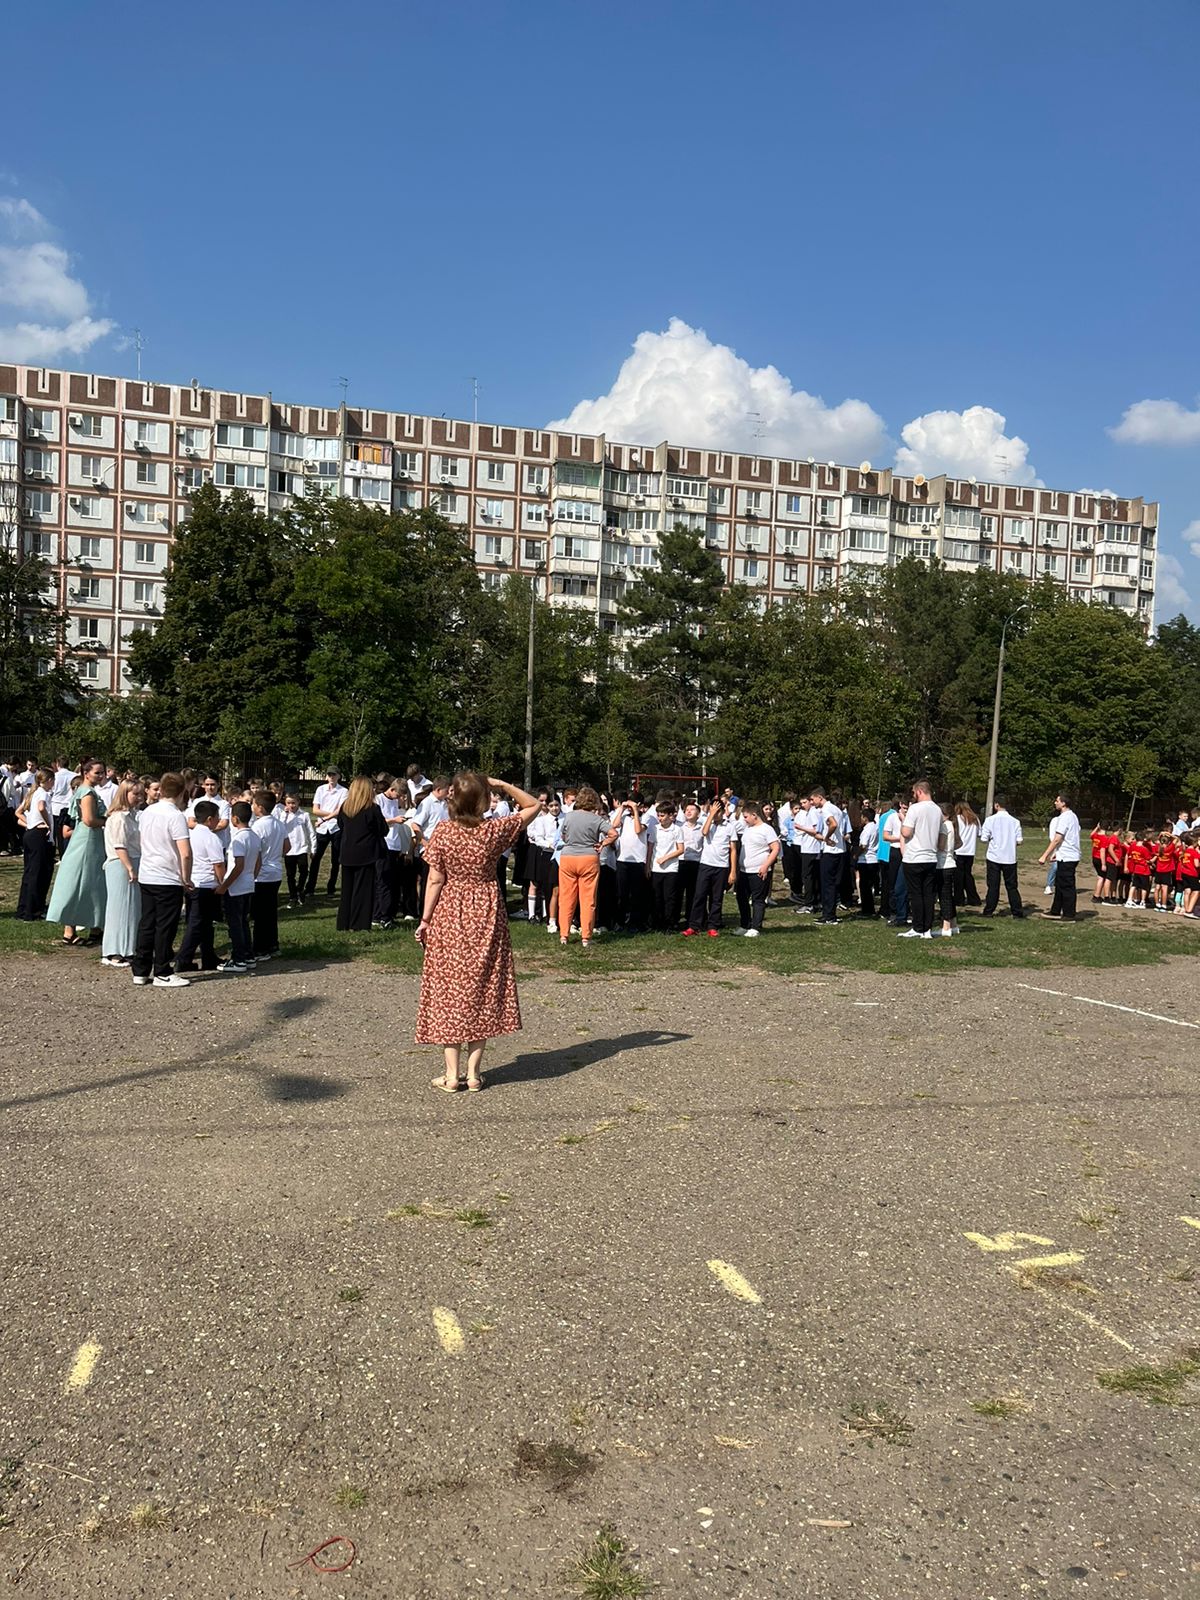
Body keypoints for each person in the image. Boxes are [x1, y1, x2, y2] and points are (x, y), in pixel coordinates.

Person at [416, 773, 539, 1092]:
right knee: (481, 988)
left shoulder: (443, 831)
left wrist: (425, 919)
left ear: (452, 799)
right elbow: (533, 805)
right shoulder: (495, 830)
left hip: (451, 912)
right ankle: (473, 1074)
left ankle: (451, 1074)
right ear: (484, 800)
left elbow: (434, 880)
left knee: (449, 990)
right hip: (486, 911)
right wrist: (503, 786)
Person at [131, 771, 193, 987]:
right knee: (165, 926)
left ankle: (140, 969)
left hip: (148, 873)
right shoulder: (176, 816)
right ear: (182, 792)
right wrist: (186, 877)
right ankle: (162, 970)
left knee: (147, 923)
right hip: (167, 876)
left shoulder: (147, 812)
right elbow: (185, 852)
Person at [46, 757, 109, 946]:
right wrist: (109, 820)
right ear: (86, 773)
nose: (101, 776)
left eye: (102, 772)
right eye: (97, 772)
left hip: (90, 840)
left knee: (92, 883)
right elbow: (89, 820)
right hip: (87, 841)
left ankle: (93, 926)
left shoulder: (87, 791)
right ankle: (72, 929)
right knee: (82, 881)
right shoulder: (87, 792)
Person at [556, 786, 616, 948]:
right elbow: (613, 834)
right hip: (589, 857)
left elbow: (563, 835)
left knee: (567, 898)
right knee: (588, 899)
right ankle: (586, 937)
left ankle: (564, 935)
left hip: (568, 857)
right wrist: (602, 843)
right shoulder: (596, 819)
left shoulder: (568, 817)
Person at [177, 800, 226, 973]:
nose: (219, 821)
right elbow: (218, 864)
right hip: (206, 884)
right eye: (217, 818)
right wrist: (223, 883)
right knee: (197, 924)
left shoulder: (190, 835)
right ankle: (183, 959)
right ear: (210, 819)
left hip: (193, 883)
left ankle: (208, 956)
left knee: (205, 924)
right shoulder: (211, 838)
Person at [100, 779, 143, 968]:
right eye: (135, 794)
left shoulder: (131, 816)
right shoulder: (119, 817)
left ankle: (128, 948)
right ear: (124, 794)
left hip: (132, 861)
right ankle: (113, 951)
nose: (139, 798)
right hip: (121, 864)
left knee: (131, 908)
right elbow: (119, 845)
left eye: (141, 794)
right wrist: (129, 867)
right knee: (119, 908)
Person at [336, 775, 388, 932]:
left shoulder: (346, 807)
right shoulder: (372, 809)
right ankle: (359, 923)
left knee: (347, 891)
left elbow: (340, 824)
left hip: (347, 852)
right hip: (366, 854)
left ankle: (344, 922)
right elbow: (383, 830)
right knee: (363, 891)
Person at [684, 796, 738, 937]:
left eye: (719, 811)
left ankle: (713, 925)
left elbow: (733, 849)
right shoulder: (707, 822)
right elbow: (704, 832)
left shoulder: (730, 827)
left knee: (716, 898)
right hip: (705, 864)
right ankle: (694, 925)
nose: (717, 814)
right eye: (714, 811)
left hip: (721, 866)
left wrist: (732, 871)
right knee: (699, 895)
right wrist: (711, 814)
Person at [216, 801, 260, 971]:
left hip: (235, 887)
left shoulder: (238, 839)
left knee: (234, 924)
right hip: (248, 884)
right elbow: (258, 861)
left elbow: (238, 865)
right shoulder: (254, 836)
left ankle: (238, 959)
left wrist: (224, 886)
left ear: (234, 819)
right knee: (243, 922)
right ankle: (248, 956)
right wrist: (252, 877)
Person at [898, 778, 942, 939]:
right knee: (928, 894)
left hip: (914, 856)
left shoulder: (916, 809)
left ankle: (918, 927)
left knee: (916, 894)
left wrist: (903, 820)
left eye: (914, 793)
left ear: (919, 791)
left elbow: (906, 833)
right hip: (930, 856)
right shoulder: (937, 809)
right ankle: (927, 928)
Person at [732, 800, 779, 938]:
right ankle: (744, 924)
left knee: (758, 899)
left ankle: (755, 927)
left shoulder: (766, 829)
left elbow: (775, 848)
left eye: (746, 817)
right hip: (744, 870)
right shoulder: (748, 829)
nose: (744, 820)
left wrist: (765, 866)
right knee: (741, 897)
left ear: (754, 815)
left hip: (759, 870)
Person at [250, 789, 286, 956]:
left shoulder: (258, 826)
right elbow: (288, 846)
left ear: (260, 808)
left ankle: (260, 948)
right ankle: (273, 945)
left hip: (261, 874)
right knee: (271, 912)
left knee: (260, 914)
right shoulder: (279, 823)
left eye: (254, 804)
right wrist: (276, 855)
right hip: (276, 871)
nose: (252, 807)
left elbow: (255, 851)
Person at [15, 766, 54, 921]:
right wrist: (47, 824)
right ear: (49, 781)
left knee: (30, 872)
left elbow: (18, 812)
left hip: (30, 834)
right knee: (38, 873)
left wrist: (30, 822)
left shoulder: (33, 793)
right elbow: (41, 807)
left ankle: (23, 908)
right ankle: (32, 910)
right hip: (39, 835)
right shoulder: (43, 794)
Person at [1038, 792, 1081, 921]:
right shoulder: (1072, 816)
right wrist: (1057, 853)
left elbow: (1058, 839)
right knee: (1060, 885)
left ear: (1063, 803)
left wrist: (1045, 855)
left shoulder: (1065, 817)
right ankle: (1055, 910)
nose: (1055, 802)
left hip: (1069, 857)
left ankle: (1069, 914)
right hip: (1064, 856)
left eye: (1057, 800)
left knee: (1067, 887)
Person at [306, 767, 348, 897]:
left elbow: (340, 811)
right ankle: (310, 888)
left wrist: (324, 819)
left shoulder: (344, 791)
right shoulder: (320, 789)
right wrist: (331, 815)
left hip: (336, 828)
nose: (331, 777)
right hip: (323, 829)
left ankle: (331, 888)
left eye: (334, 774)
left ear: (339, 776)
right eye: (329, 774)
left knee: (335, 860)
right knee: (316, 858)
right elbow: (315, 810)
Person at [980, 797, 1024, 918]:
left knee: (993, 886)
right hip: (1010, 857)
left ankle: (989, 910)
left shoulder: (990, 820)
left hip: (994, 857)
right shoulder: (1015, 821)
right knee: (1012, 886)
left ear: (996, 805)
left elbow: (984, 839)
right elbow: (1019, 841)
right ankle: (1017, 911)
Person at [808, 786, 844, 927]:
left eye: (812, 799)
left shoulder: (827, 809)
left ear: (820, 797)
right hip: (839, 850)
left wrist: (826, 837)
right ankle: (831, 913)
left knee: (827, 883)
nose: (812, 802)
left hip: (830, 851)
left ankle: (828, 915)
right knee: (833, 884)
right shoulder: (836, 809)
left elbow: (833, 824)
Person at [650, 799, 686, 932]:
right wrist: (648, 865)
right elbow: (651, 847)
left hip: (671, 868)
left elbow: (681, 849)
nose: (660, 818)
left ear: (671, 816)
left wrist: (666, 857)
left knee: (669, 897)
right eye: (658, 815)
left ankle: (669, 924)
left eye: (662, 815)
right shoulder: (655, 829)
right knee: (656, 897)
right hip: (656, 868)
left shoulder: (677, 830)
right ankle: (657, 924)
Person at [281, 792, 316, 909]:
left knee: (304, 871)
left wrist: (313, 848)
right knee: (290, 875)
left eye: (293, 803)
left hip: (301, 848)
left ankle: (300, 889)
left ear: (298, 803)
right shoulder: (283, 816)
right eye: (289, 803)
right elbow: (280, 828)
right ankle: (292, 897)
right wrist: (284, 815)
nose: (291, 805)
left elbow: (311, 832)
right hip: (289, 850)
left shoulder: (304, 815)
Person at [936, 803, 960, 937]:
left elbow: (941, 845)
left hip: (943, 864)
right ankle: (954, 924)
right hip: (950, 863)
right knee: (948, 897)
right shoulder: (951, 825)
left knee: (944, 896)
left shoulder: (945, 826)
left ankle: (946, 927)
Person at [953, 803, 982, 907]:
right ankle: (973, 898)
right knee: (968, 875)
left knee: (958, 876)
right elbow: (979, 834)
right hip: (970, 851)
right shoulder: (975, 819)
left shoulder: (957, 819)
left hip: (959, 850)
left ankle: (959, 898)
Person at [49, 756, 77, 859]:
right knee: (67, 833)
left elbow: (51, 791)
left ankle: (59, 855)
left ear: (57, 764)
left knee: (57, 834)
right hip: (69, 806)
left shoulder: (55, 776)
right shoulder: (74, 776)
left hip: (56, 807)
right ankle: (66, 854)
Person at [856, 804, 879, 920]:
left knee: (864, 886)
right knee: (869, 886)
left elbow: (863, 845)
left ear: (865, 818)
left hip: (866, 860)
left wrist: (856, 854)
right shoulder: (876, 827)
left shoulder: (867, 830)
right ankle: (870, 908)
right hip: (874, 859)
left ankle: (867, 909)